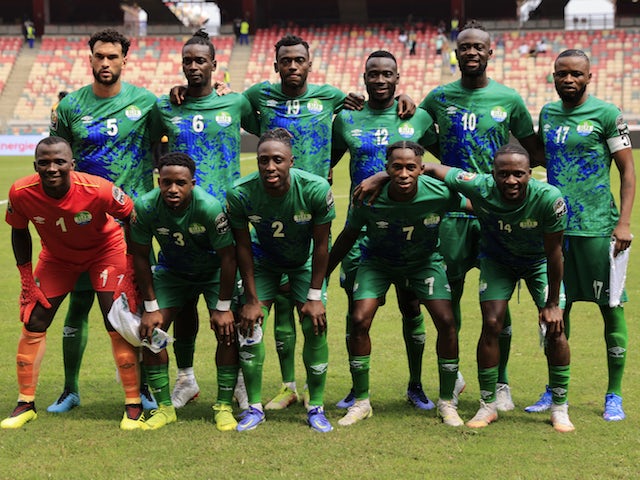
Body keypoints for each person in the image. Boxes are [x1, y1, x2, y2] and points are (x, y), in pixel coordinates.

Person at [418, 20, 544, 411]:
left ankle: (501, 382)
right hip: (453, 212)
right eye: (464, 47)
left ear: (491, 52)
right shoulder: (438, 97)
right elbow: (416, 136)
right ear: (456, 53)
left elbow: (532, 151)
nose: (471, 53)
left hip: (495, 213)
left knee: (498, 304)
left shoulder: (509, 99)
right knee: (449, 298)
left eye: (478, 47)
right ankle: (453, 376)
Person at [423, 143, 574, 433]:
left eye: (518, 174)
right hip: (497, 261)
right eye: (503, 174)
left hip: (538, 262)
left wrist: (552, 304)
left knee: (555, 328)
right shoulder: (480, 186)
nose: (511, 181)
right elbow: (437, 169)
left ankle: (559, 406)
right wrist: (381, 176)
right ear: (492, 174)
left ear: (530, 173)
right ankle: (488, 404)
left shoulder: (549, 198)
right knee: (491, 322)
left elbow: (555, 253)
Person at [48, 28, 160, 414]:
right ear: (91, 58)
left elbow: (168, 143)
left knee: (136, 305)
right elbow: (55, 160)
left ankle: (144, 388)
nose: (106, 63)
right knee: (77, 304)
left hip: (132, 223)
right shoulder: (70, 107)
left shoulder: (146, 103)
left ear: (124, 60)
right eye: (100, 56)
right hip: (84, 224)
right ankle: (69, 390)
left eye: (113, 56)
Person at [1, 137, 145, 430]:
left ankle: (134, 404)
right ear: (35, 165)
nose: (51, 168)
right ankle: (25, 403)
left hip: (106, 252)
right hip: (57, 258)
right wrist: (26, 277)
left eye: (59, 162)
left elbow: (131, 217)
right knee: (34, 319)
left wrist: (129, 269)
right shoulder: (21, 192)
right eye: (44, 163)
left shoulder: (98, 189)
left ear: (72, 165)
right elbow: (19, 231)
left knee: (113, 320)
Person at [529, 49, 635, 422]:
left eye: (576, 74)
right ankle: (554, 390)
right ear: (553, 76)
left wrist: (623, 223)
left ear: (589, 77)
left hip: (600, 230)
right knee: (556, 310)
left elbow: (627, 172)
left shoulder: (607, 114)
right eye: (562, 74)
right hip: (555, 230)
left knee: (611, 308)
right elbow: (541, 157)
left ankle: (614, 395)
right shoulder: (548, 113)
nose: (568, 80)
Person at [331, 50, 440, 411]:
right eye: (373, 74)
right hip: (361, 230)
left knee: (412, 306)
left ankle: (416, 385)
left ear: (398, 77)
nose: (380, 80)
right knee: (357, 312)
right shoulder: (346, 119)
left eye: (387, 74)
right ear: (363, 77)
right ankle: (356, 388)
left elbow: (440, 160)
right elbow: (325, 161)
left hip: (408, 229)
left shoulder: (418, 116)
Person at [327, 141, 465, 427]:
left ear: (421, 169)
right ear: (386, 169)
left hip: (423, 262)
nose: (403, 173)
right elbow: (348, 235)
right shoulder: (369, 196)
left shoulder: (439, 193)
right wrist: (320, 277)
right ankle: (362, 401)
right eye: (397, 167)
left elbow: (478, 204)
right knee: (359, 318)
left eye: (410, 167)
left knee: (446, 321)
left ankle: (447, 402)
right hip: (377, 262)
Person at [152, 29, 253, 408]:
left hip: (226, 218)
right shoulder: (167, 107)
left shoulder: (238, 102)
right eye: (188, 61)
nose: (194, 66)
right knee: (184, 303)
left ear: (214, 65)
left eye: (200, 60)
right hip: (179, 216)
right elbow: (150, 146)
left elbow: (272, 126)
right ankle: (186, 379)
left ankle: (239, 382)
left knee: (231, 304)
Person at [226, 128, 335, 432]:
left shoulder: (314, 189)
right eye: (263, 161)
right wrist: (250, 299)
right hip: (263, 264)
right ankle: (255, 408)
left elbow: (323, 246)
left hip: (304, 263)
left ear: (291, 161)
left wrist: (314, 297)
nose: (270, 167)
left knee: (315, 326)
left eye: (277, 160)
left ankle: (316, 407)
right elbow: (242, 247)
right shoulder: (241, 193)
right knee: (250, 328)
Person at [130, 152, 239, 431]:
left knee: (227, 331)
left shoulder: (209, 207)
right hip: (173, 273)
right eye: (166, 182)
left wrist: (224, 307)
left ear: (192, 182)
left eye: (180, 183)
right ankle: (165, 409)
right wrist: (151, 306)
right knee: (150, 333)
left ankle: (224, 405)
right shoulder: (145, 206)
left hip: (213, 272)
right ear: (158, 181)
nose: (172, 189)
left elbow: (229, 257)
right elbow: (141, 256)